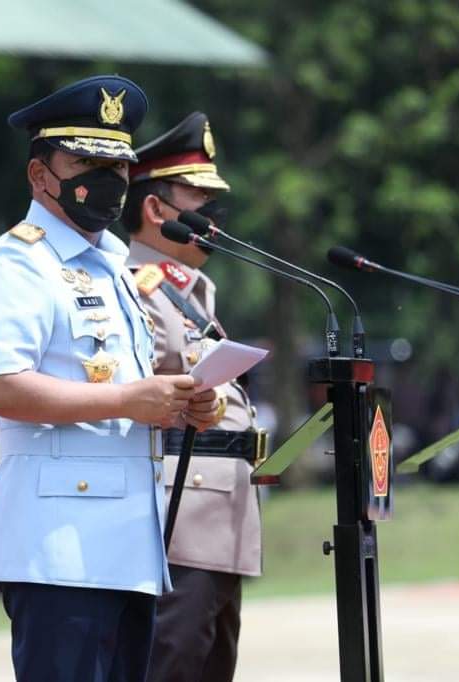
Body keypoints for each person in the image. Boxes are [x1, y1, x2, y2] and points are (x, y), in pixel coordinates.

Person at [0, 76, 221, 682]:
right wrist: (131, 399)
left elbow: (123, 396)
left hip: (130, 546)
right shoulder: (17, 265)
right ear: (39, 175)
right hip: (59, 548)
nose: (105, 179)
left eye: (118, 165)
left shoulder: (113, 267)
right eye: (85, 161)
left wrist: (180, 404)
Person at [120, 112, 264, 682]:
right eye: (198, 197)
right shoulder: (133, 286)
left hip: (221, 517)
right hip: (177, 517)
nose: (213, 215)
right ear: (156, 209)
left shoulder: (195, 291)